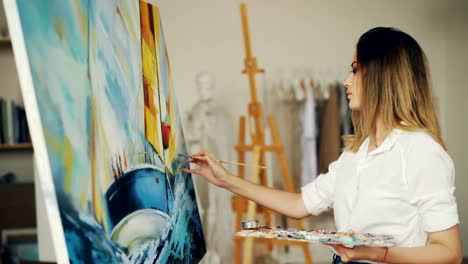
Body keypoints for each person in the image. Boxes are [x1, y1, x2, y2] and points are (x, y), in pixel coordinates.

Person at [183, 27, 462, 264]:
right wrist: (226, 180)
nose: (346, 81)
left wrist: (381, 253)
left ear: (382, 76)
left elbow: (449, 252)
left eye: (355, 70)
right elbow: (299, 204)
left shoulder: (421, 151)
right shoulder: (355, 154)